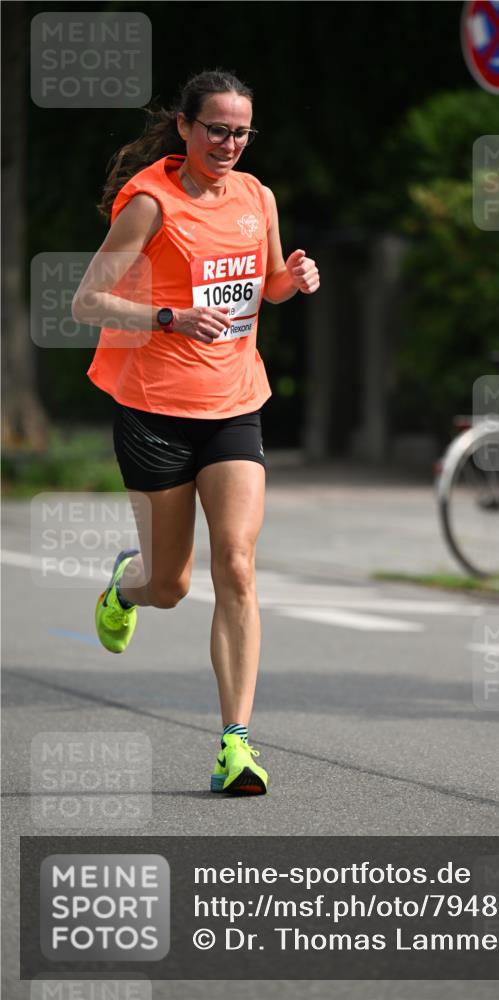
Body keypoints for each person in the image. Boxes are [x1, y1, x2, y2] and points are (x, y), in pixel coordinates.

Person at [72, 68, 320, 796]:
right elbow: (88, 302)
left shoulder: (257, 197)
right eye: (216, 129)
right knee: (171, 584)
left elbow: (264, 284)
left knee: (237, 566)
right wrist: (165, 318)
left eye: (241, 132)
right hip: (155, 409)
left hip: (235, 402)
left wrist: (291, 278)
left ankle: (234, 746)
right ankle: (128, 585)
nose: (229, 144)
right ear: (184, 128)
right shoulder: (152, 202)